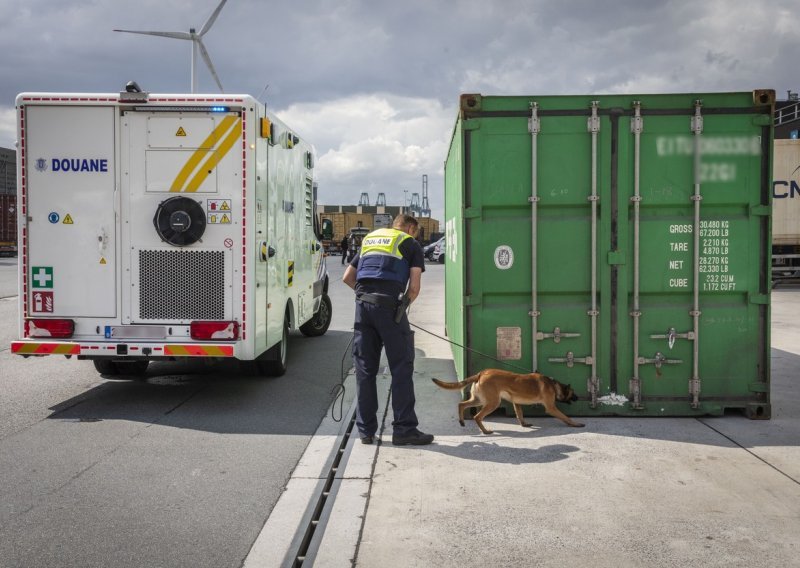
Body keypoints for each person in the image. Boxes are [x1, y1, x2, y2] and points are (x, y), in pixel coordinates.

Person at [342, 214, 433, 446]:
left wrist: (367, 298)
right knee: (402, 368)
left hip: (363, 308)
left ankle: (366, 432)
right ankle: (404, 430)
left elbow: (347, 277)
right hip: (390, 308)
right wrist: (399, 309)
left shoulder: (371, 239)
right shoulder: (410, 243)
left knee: (365, 370)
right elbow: (414, 288)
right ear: (411, 228)